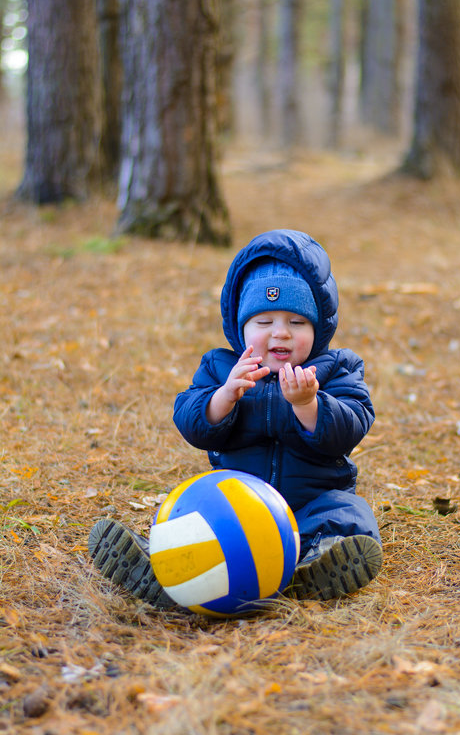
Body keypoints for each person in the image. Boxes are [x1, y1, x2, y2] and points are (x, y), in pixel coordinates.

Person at [89, 229, 382, 607]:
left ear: (318, 327)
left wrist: (309, 405)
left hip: (310, 502)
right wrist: (225, 395)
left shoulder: (336, 369)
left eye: (297, 322)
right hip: (236, 508)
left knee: (349, 514)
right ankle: (161, 567)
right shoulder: (221, 367)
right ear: (240, 327)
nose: (281, 332)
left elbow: (353, 424)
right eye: (264, 322)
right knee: (190, 516)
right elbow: (191, 421)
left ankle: (313, 566)